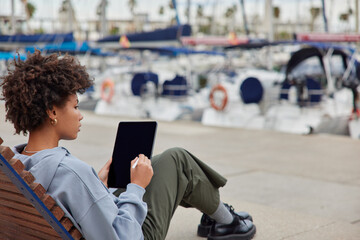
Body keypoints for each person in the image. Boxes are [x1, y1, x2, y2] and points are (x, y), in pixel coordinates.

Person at [1, 50, 256, 240]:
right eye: (76, 106)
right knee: (177, 161)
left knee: (157, 164)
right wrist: (136, 188)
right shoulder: (70, 172)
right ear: (52, 111)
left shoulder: (16, 160)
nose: (81, 115)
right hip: (134, 233)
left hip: (93, 222)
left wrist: (97, 186)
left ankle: (217, 214)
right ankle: (226, 221)